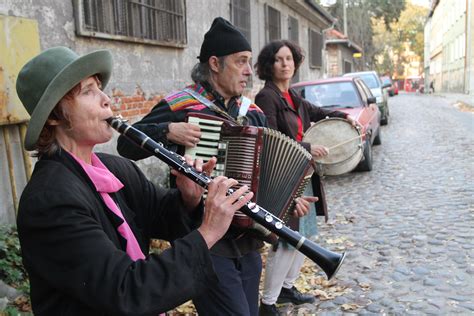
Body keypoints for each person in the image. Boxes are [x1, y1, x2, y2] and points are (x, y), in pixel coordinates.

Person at [15, 46, 254, 316]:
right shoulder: (50, 200)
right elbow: (125, 289)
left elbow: (160, 214)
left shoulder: (115, 168)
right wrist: (208, 232)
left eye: (99, 87)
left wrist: (189, 197)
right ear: (55, 116)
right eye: (88, 91)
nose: (106, 99)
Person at [117, 18, 314, 316]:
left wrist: (289, 201)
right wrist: (169, 130)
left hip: (247, 243)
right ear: (215, 64)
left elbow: (266, 176)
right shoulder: (181, 105)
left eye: (249, 62)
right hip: (205, 239)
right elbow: (126, 146)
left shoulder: (252, 113)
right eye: (241, 62)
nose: (249, 70)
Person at [254, 40, 358, 315]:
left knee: (305, 235)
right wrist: (310, 148)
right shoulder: (267, 97)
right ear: (269, 65)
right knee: (287, 239)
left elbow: (318, 113)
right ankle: (268, 303)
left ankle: (287, 288)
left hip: (304, 173)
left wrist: (344, 118)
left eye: (289, 58)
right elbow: (271, 140)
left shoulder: (292, 97)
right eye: (278, 59)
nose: (285, 63)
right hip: (285, 177)